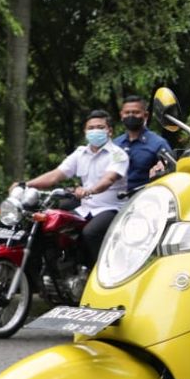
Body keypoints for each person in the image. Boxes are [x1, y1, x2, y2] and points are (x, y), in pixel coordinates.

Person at [19, 110, 129, 268]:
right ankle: (57, 271)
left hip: (111, 209)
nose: (95, 131)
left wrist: (89, 190)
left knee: (90, 233)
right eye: (91, 128)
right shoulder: (80, 153)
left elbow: (109, 179)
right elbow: (55, 175)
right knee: (50, 227)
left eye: (100, 127)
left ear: (109, 131)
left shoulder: (118, 155)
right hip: (86, 209)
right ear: (85, 131)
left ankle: (101, 273)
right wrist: (26, 184)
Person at [113, 96, 174, 192]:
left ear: (145, 115)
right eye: (127, 113)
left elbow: (171, 173)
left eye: (136, 112)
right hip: (117, 201)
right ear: (121, 115)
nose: (131, 116)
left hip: (145, 199)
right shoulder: (115, 144)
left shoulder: (158, 144)